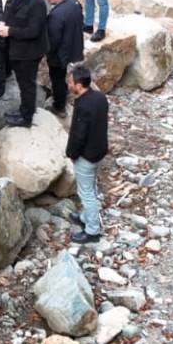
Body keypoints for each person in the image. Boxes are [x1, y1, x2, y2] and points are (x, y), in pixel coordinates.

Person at [0, 0, 47, 128]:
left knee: (27, 85)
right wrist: (2, 21)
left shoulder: (37, 3)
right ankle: (23, 109)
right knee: (22, 83)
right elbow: (9, 8)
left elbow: (33, 31)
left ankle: (26, 117)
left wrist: (9, 31)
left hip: (29, 52)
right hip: (17, 48)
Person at [65, 63, 109, 244]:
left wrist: (71, 153)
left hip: (87, 155)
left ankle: (92, 230)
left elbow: (78, 135)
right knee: (91, 187)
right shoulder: (100, 97)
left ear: (78, 85)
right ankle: (85, 216)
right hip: (99, 149)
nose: (69, 85)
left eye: (70, 82)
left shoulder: (82, 105)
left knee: (86, 193)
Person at [43, 0, 84, 115]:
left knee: (57, 79)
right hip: (73, 47)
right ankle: (64, 92)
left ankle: (59, 106)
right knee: (62, 77)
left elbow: (53, 40)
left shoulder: (56, 15)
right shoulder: (75, 3)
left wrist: (47, 53)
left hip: (60, 54)